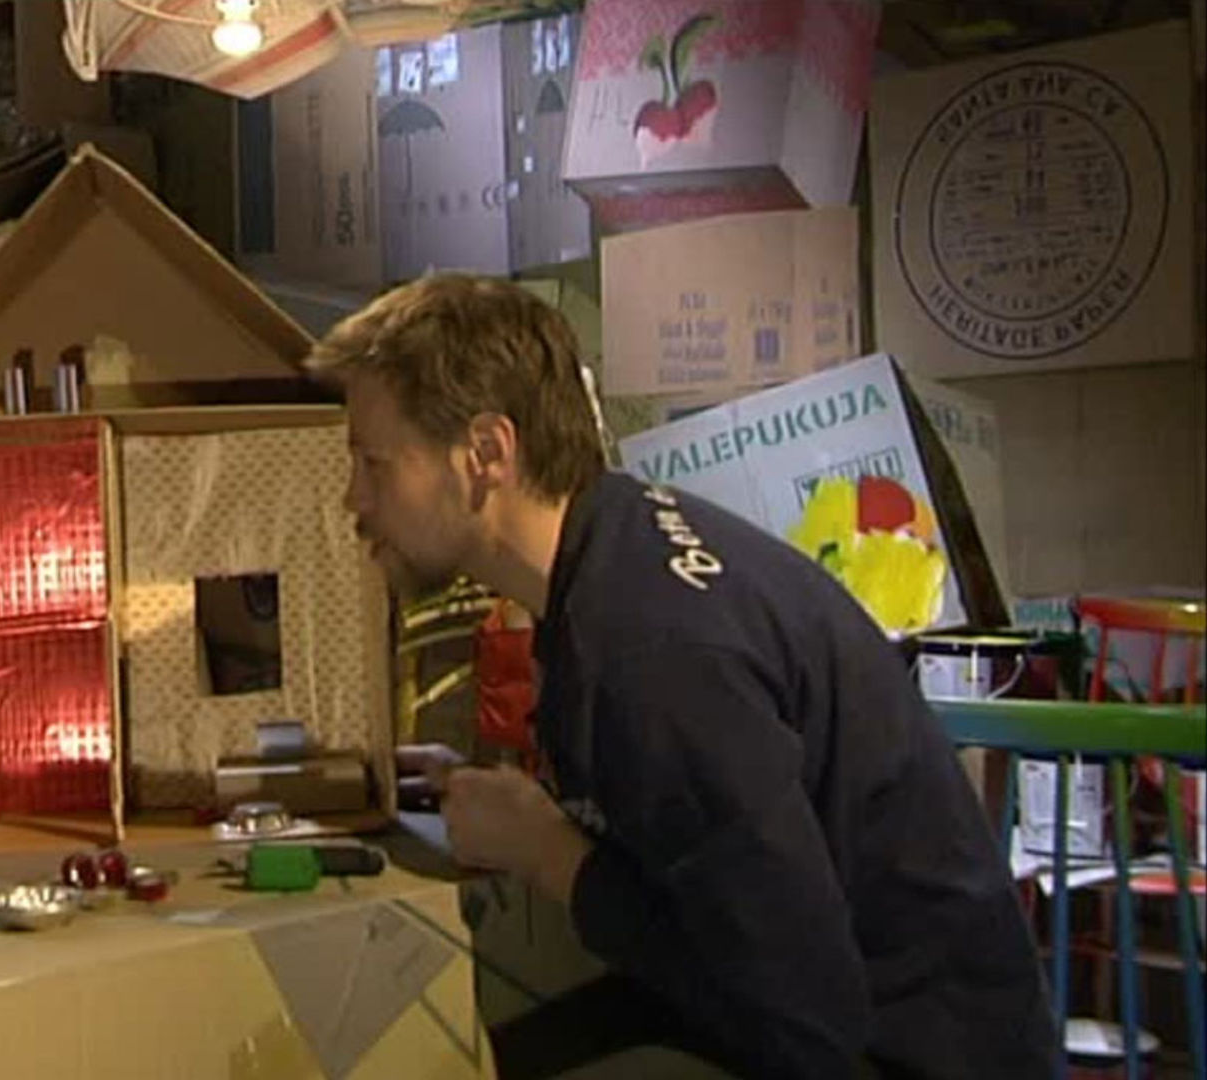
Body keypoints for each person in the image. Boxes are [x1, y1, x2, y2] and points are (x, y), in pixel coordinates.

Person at [310, 274, 1054, 1079]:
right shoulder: (621, 546)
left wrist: (553, 855)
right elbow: (692, 849)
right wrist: (524, 812)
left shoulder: (652, 651)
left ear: (486, 454)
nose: (354, 498)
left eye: (374, 463)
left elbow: (804, 1016)